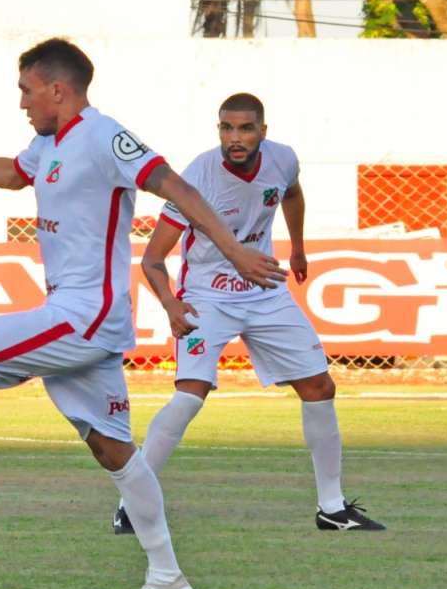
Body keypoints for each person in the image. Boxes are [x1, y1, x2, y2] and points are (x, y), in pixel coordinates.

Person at [0, 39, 287, 589]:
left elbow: (180, 189)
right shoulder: (46, 143)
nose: (23, 103)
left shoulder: (104, 136)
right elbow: (11, 175)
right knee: (115, 451)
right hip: (81, 318)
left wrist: (232, 252)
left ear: (57, 89)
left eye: (26, 91)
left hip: (86, 316)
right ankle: (168, 579)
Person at [111, 93, 385, 536]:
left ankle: (331, 509)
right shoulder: (198, 176)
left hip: (264, 288)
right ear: (218, 130)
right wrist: (170, 304)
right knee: (189, 396)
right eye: (227, 128)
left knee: (319, 385)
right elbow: (152, 260)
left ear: (263, 131)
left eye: (245, 128)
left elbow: (292, 194)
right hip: (207, 295)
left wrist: (296, 246)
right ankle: (131, 504)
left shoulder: (283, 160)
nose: (235, 138)